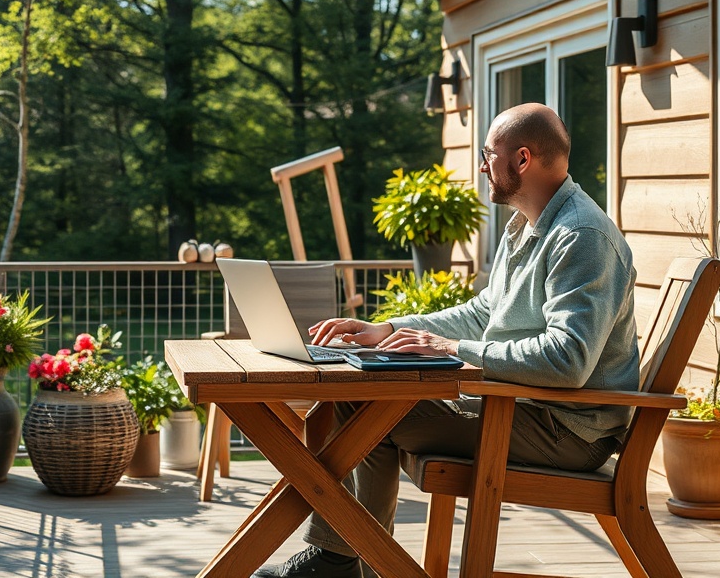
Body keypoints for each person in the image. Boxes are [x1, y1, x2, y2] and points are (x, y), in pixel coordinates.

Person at [254, 102, 639, 578]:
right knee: (357, 395)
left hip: (565, 429)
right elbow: (482, 313)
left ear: (522, 159)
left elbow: (568, 360)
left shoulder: (580, 236)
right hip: (522, 408)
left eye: (487, 153)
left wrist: (451, 351)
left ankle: (344, 561)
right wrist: (388, 330)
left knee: (363, 403)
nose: (481, 165)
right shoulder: (524, 227)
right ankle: (349, 559)